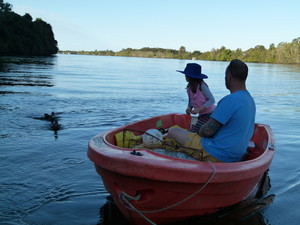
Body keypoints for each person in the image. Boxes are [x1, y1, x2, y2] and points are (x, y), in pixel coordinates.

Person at [168, 59, 256, 162]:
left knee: (172, 131)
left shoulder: (229, 100)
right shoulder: (250, 100)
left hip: (215, 152)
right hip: (235, 155)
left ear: (228, 76)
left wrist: (198, 132)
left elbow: (206, 131)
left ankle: (169, 159)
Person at [176, 63, 216, 133]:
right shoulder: (189, 86)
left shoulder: (202, 86)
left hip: (210, 113)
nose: (185, 77)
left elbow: (212, 100)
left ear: (192, 77)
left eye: (187, 75)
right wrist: (189, 108)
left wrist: (198, 109)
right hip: (202, 115)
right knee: (195, 130)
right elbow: (191, 100)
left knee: (194, 131)